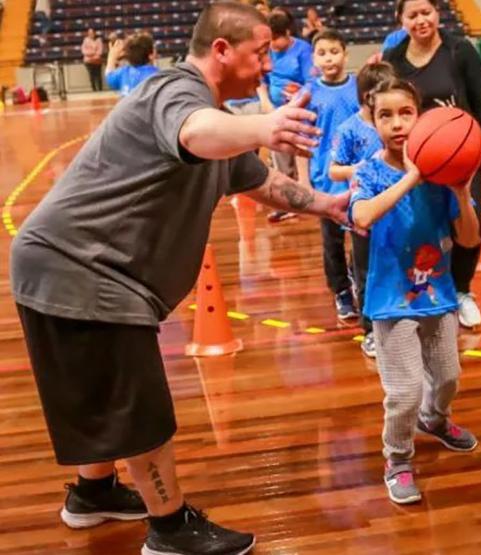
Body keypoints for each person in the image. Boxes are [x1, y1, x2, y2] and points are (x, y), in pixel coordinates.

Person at [10, 2, 347, 554]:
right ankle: (170, 530)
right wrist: (264, 124)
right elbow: (195, 133)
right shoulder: (175, 93)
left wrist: (328, 204)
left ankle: (93, 495)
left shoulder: (214, 116)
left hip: (71, 267)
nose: (268, 64)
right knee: (139, 407)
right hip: (81, 269)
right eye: (259, 52)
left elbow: (259, 182)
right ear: (221, 50)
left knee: (107, 391)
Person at [350, 78, 481, 505]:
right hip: (390, 303)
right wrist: (411, 177)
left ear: (420, 116)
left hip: (438, 297)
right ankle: (398, 459)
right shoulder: (367, 172)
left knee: (448, 377)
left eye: (405, 113)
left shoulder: (445, 177)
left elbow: (468, 239)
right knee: (403, 391)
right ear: (372, 121)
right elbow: (364, 216)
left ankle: (435, 419)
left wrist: (461, 193)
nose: (396, 123)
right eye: (385, 115)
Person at [383, 0, 481, 329]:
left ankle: (463, 291)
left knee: (468, 222)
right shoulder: (393, 59)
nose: (421, 20)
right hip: (419, 159)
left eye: (427, 12)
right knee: (426, 225)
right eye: (413, 15)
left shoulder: (459, 50)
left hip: (463, 155)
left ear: (437, 13)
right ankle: (427, 288)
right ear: (401, 21)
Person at [329, 61, 398, 357]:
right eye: (378, 93)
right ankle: (370, 329)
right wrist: (357, 169)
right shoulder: (349, 129)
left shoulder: (399, 127)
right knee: (367, 273)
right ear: (366, 96)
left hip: (397, 214)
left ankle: (399, 319)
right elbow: (333, 170)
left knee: (398, 268)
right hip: (364, 217)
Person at [302, 29, 361, 321]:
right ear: (314, 58)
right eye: (322, 53)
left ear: (345, 54)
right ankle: (340, 291)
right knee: (332, 241)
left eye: (334, 51)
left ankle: (356, 277)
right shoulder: (309, 93)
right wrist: (303, 181)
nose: (329, 58)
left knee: (362, 235)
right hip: (326, 182)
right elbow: (301, 140)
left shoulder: (359, 88)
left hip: (360, 180)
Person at [263, 9, 314, 223]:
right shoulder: (267, 51)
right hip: (275, 110)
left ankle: (304, 193)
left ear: (287, 32)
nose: (273, 44)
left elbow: (311, 82)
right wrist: (266, 101)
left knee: (298, 151)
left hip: (299, 109)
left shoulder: (303, 50)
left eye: (276, 38)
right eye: (270, 40)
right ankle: (285, 201)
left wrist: (297, 95)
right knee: (278, 157)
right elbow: (262, 80)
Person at [105, 33, 158, 97]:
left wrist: (112, 55)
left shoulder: (123, 73)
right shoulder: (158, 75)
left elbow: (109, 75)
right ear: (151, 55)